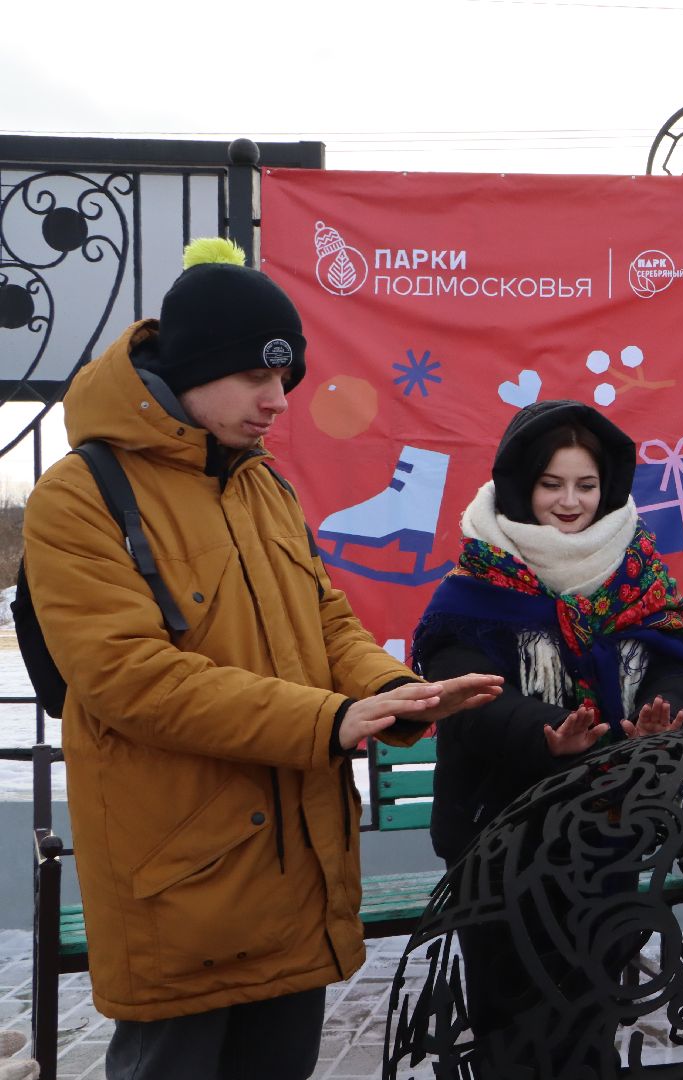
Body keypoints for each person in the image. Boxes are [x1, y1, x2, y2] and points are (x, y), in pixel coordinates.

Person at [21, 238, 502, 1080]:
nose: (279, 401)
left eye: (287, 380)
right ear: (192, 368)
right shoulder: (79, 495)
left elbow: (325, 619)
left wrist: (393, 691)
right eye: (256, 378)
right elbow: (131, 679)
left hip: (295, 869)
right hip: (180, 885)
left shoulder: (262, 482)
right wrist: (330, 719)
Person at [411, 399, 683, 1073]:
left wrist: (665, 713)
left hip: (610, 834)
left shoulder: (639, 570)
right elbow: (463, 688)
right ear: (520, 484)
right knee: (512, 1023)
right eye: (551, 484)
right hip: (501, 843)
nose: (570, 502)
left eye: (586, 485)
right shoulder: (479, 579)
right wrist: (544, 734)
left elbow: (682, 660)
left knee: (595, 1008)